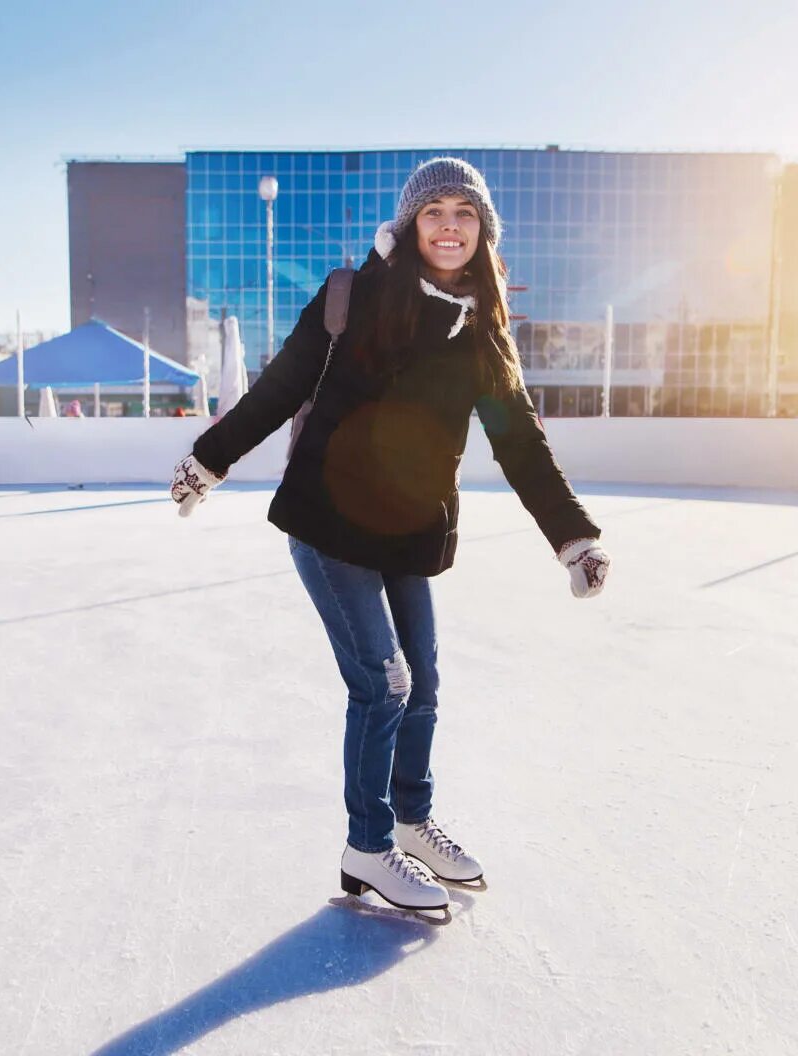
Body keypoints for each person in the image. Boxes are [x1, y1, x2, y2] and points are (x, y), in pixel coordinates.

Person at [170, 157, 610, 914]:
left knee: (425, 688)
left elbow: (520, 444)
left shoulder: (482, 331)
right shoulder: (359, 296)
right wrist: (209, 460)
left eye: (464, 213)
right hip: (328, 520)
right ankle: (366, 847)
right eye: (433, 210)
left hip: (408, 531)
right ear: (410, 225)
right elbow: (281, 386)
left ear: (482, 231)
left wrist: (573, 538)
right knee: (385, 686)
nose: (448, 224)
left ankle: (410, 822)